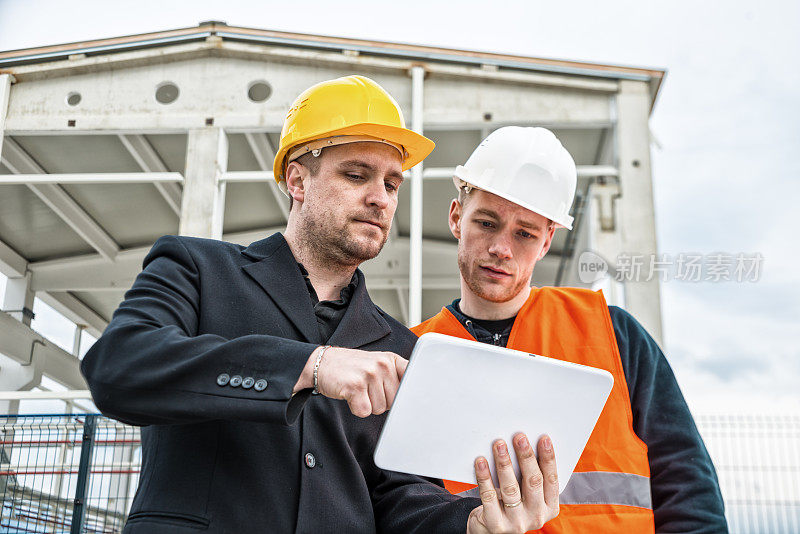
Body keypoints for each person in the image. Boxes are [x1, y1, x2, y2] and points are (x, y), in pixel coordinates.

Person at [81, 76, 561, 534]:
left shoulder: (402, 347)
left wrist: (467, 523)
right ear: (297, 180)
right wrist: (309, 365)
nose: (379, 199)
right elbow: (118, 367)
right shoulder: (198, 269)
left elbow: (399, 497)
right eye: (356, 175)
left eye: (392, 184)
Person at [412, 126, 728, 533]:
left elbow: (685, 483)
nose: (502, 249)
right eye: (487, 223)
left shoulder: (614, 333)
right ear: (457, 217)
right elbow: (399, 505)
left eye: (524, 234)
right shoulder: (414, 352)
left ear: (546, 243)